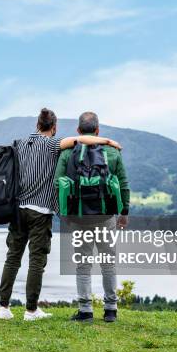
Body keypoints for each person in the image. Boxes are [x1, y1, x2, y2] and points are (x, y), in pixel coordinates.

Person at [0, 108, 122, 321]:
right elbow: (81, 140)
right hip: (40, 211)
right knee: (37, 261)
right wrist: (108, 142)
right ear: (53, 127)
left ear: (37, 125)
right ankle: (31, 310)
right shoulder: (53, 144)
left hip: (18, 210)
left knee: (12, 258)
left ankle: (3, 307)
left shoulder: (19, 144)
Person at [53, 111, 130, 323]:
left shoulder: (68, 154)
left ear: (78, 131)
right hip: (106, 216)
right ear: (98, 130)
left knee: (83, 264)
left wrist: (64, 213)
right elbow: (123, 185)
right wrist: (123, 213)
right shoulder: (113, 153)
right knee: (108, 262)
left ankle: (85, 310)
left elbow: (57, 183)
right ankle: (111, 310)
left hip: (79, 218)